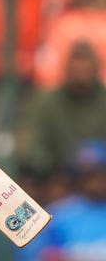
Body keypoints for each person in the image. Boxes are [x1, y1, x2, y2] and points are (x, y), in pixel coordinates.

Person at [16, 40, 106, 203]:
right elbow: (32, 147)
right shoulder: (47, 103)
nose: (81, 70)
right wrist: (60, 168)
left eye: (85, 64)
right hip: (59, 179)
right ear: (66, 67)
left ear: (96, 67)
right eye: (76, 64)